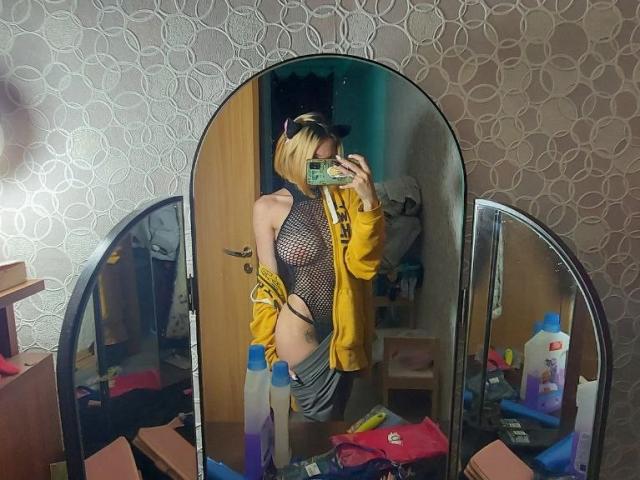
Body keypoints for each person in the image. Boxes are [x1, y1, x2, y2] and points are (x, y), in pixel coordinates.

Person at [250, 112, 385, 421]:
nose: (328, 169)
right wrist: (267, 353)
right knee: (312, 426)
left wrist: (369, 202)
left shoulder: (348, 198)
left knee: (336, 423)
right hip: (299, 331)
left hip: (345, 330)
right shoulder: (267, 207)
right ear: (296, 159)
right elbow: (268, 288)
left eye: (333, 160)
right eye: (318, 162)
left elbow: (363, 266)